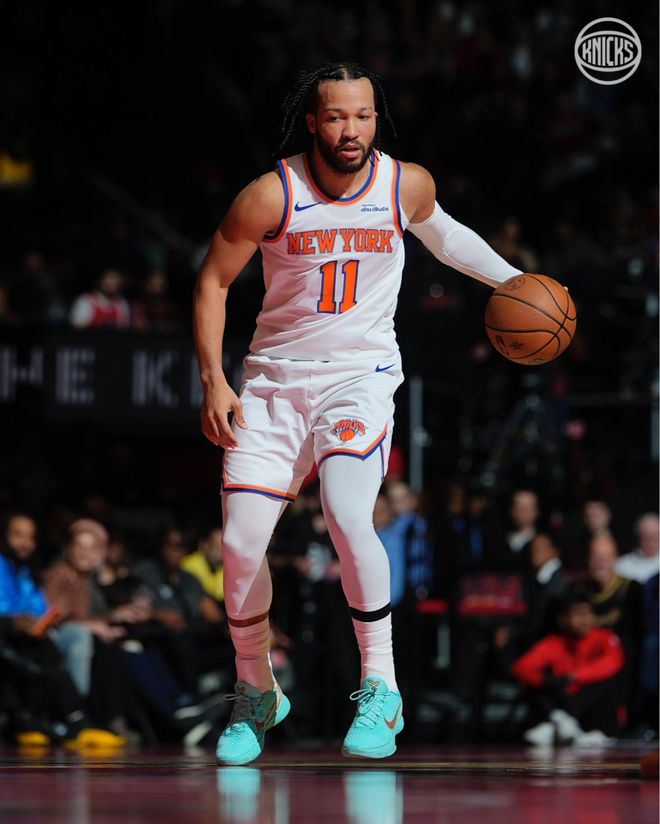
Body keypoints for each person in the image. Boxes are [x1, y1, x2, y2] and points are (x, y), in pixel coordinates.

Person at [193, 62, 524, 765]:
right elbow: (213, 281)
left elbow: (447, 238)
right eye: (338, 116)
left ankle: (382, 687)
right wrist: (214, 381)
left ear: (377, 119)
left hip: (359, 378)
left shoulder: (405, 184)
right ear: (313, 121)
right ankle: (256, 689)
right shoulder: (271, 194)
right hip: (275, 385)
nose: (352, 129)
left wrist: (515, 281)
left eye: (364, 116)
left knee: (348, 514)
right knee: (241, 544)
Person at [512, 590, 624, 747]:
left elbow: (613, 662)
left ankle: (559, 722)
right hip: (564, 698)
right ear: (563, 620)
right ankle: (562, 722)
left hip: (592, 708)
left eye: (588, 613)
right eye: (578, 614)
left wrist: (575, 676)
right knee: (541, 683)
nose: (584, 620)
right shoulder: (553, 642)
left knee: (605, 683)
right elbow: (522, 668)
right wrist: (547, 681)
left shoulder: (605, 637)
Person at [616, 513, 660, 585]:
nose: (651, 541)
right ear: (638, 536)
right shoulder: (622, 565)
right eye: (646, 535)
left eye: (656, 535)